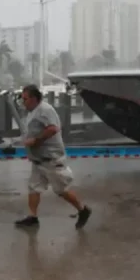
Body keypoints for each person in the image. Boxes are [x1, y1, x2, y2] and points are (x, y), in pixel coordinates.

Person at [14, 84, 92, 229]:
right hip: (38, 160)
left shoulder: (45, 110)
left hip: (51, 159)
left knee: (61, 190)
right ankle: (33, 217)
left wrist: (37, 140)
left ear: (34, 98)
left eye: (25, 99)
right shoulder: (32, 112)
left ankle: (83, 210)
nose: (23, 102)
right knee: (34, 187)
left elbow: (53, 128)